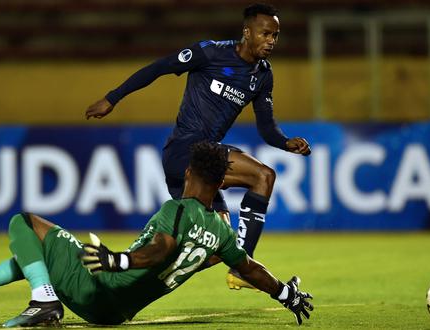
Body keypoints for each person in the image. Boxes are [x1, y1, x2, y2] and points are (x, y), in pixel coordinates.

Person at [0, 142, 313, 327]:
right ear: (220, 184)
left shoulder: (177, 210)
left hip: (99, 287)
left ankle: (45, 301)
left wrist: (116, 259)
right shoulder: (221, 232)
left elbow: (160, 249)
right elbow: (248, 268)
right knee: (45, 253)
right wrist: (285, 293)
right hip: (116, 314)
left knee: (25, 223)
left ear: (188, 174)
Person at [85, 3, 311, 290]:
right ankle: (244, 266)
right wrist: (112, 98)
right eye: (265, 34)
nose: (271, 41)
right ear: (247, 32)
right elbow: (160, 67)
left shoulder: (263, 75)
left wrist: (284, 142)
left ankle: (128, 274)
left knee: (215, 248)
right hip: (186, 151)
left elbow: (266, 125)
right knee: (263, 176)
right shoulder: (210, 52)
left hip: (204, 161)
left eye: (275, 36)